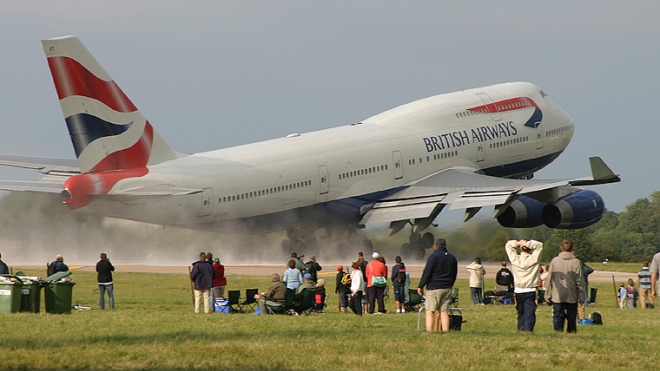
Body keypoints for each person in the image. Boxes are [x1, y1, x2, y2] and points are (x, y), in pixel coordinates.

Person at [417, 238, 458, 332]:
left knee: (430, 310)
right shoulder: (452, 258)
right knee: (444, 312)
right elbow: (454, 273)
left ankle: (429, 330)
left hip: (434, 287)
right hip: (447, 287)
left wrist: (421, 285)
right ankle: (445, 331)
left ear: (435, 246)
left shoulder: (433, 256)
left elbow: (427, 272)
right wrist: (450, 284)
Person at [546, 239, 584, 333]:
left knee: (558, 314)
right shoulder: (576, 262)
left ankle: (558, 331)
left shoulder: (555, 261)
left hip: (557, 293)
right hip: (572, 293)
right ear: (572, 249)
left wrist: (548, 294)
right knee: (571, 315)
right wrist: (581, 296)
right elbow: (580, 281)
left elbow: (549, 279)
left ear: (561, 248)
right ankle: (571, 331)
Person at [505, 239, 543, 332]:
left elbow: (508, 245)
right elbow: (539, 245)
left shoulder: (515, 259)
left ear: (521, 249)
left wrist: (519, 243)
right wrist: (527, 243)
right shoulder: (534, 259)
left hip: (518, 290)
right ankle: (528, 330)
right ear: (530, 250)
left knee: (521, 312)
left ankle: (520, 328)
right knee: (529, 312)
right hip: (530, 289)